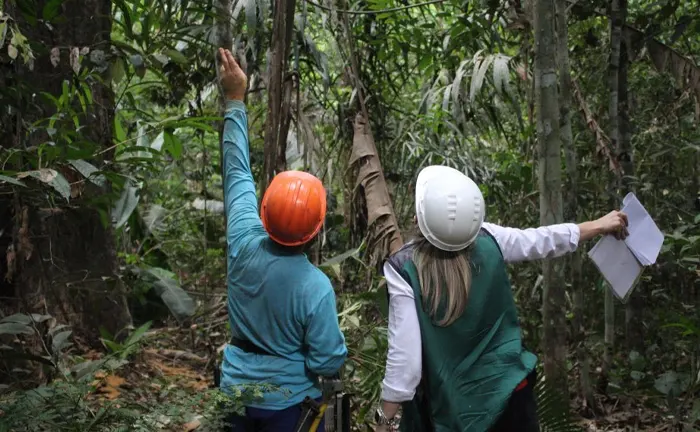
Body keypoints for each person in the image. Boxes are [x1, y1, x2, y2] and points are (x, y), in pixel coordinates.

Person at [373, 165, 629, 432]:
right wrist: (597, 225)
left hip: (458, 412)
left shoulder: (403, 268)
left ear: (418, 218)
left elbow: (406, 367)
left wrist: (383, 421)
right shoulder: (489, 238)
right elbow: (540, 241)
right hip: (512, 396)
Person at [216, 47, 347, 432]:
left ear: (264, 212)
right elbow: (327, 361)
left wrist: (235, 100)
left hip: (235, 393)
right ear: (317, 229)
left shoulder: (243, 240)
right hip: (289, 408)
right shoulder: (315, 287)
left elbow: (236, 170)